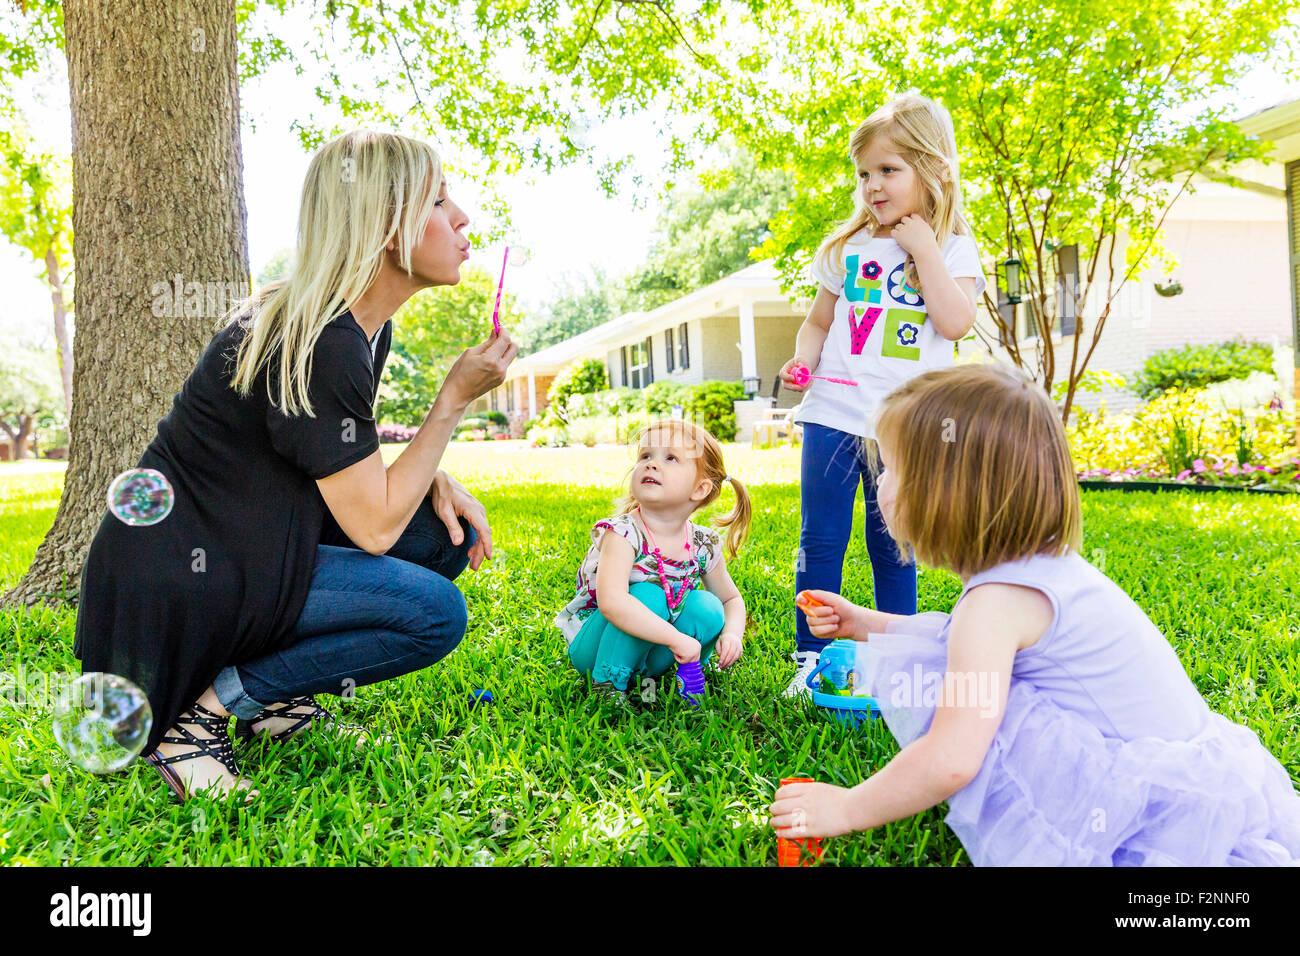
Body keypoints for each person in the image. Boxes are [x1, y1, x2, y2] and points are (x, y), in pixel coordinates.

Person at [75, 130, 518, 801]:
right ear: (386, 224)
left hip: (243, 548)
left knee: (437, 539)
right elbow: (371, 530)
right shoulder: (324, 340)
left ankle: (273, 707)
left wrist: (433, 475)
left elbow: (331, 461)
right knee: (435, 614)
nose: (461, 219)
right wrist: (452, 400)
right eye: (438, 200)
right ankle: (197, 725)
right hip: (181, 583)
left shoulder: (358, 329)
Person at [770, 363, 1300, 865]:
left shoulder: (995, 603)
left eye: (889, 469)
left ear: (943, 494)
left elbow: (952, 757)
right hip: (1195, 776)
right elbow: (956, 641)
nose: (878, 485)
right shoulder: (1037, 570)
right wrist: (867, 622)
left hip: (1148, 811)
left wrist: (845, 807)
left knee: (966, 704)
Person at [777, 90, 986, 697]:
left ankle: (899, 656)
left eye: (889, 170)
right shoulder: (846, 249)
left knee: (895, 543)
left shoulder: (949, 247)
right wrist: (803, 360)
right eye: (865, 172)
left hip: (904, 427)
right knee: (821, 537)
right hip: (833, 413)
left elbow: (955, 322)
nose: (873, 184)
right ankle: (810, 658)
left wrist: (923, 250)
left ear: (933, 170)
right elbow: (818, 322)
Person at [556, 420, 750, 705]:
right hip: (596, 648)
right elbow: (612, 603)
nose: (651, 464)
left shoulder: (702, 543)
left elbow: (730, 598)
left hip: (653, 651)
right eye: (645, 456)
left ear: (699, 489)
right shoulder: (623, 533)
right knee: (649, 595)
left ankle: (686, 668)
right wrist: (675, 638)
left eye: (670, 458)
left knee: (708, 607)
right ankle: (607, 684)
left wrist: (733, 634)